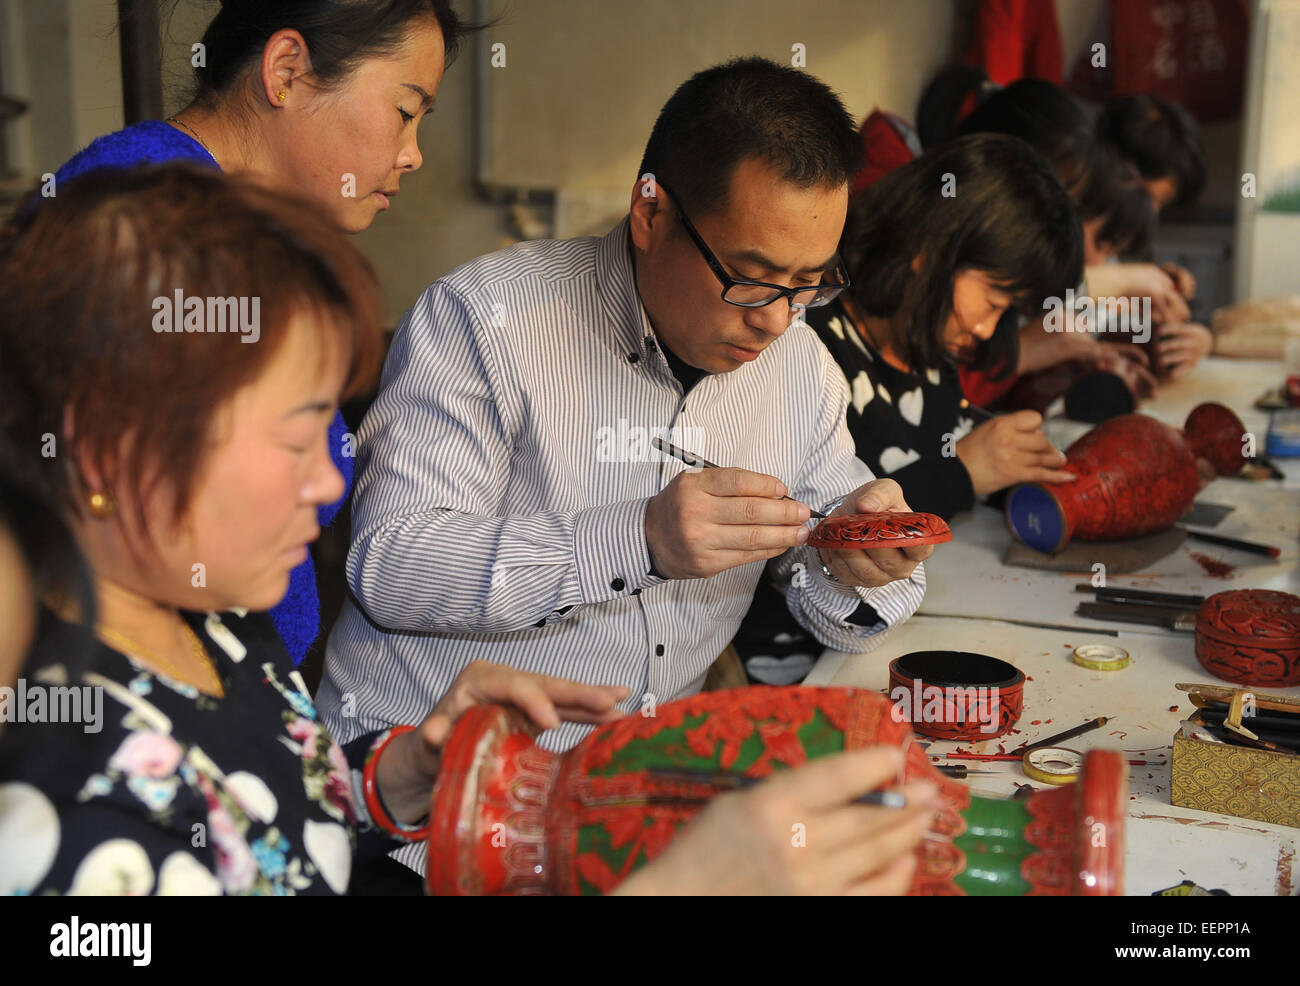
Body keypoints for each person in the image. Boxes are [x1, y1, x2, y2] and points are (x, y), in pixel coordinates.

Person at [0, 165, 938, 896]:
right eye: (293, 437)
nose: (331, 482)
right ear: (107, 449)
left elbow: (279, 818)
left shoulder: (211, 633)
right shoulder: (68, 808)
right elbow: (390, 558)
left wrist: (398, 778)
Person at [318, 57, 935, 873]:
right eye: (752, 279)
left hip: (632, 832)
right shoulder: (487, 321)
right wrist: (637, 540)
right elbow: (390, 568)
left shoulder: (800, 369)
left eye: (809, 284)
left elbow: (837, 609)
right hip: (422, 829)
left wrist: (859, 561)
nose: (778, 321)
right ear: (651, 213)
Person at [49, 0, 472, 665]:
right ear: (287, 72)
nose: (412, 155)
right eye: (404, 111)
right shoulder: (151, 222)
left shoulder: (248, 228)